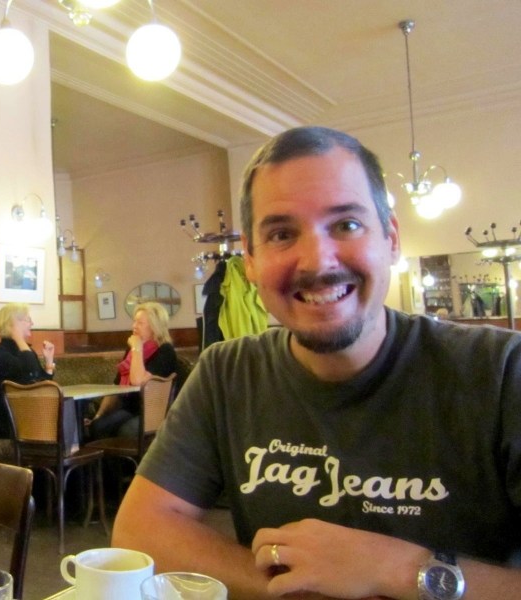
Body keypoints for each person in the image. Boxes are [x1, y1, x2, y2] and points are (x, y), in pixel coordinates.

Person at [113, 126, 521, 599]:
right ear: (250, 260)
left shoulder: (501, 371)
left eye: (346, 224)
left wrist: (396, 569)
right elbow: (140, 529)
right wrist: (301, 586)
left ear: (391, 238)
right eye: (282, 234)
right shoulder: (226, 373)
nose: (317, 261)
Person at [87, 301, 178, 441]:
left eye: (140, 323)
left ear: (155, 326)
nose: (134, 326)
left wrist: (137, 348)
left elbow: (138, 381)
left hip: (153, 413)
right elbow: (116, 386)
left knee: (126, 431)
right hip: (130, 409)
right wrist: (98, 416)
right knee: (97, 427)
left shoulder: (165, 350)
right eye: (134, 321)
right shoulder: (133, 350)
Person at [0, 303, 56, 439]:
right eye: (28, 320)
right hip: (6, 423)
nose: (32, 323)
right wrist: (18, 338)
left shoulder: (26, 351)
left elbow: (41, 384)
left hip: (27, 414)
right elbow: (28, 376)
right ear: (12, 323)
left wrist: (49, 361)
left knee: (65, 414)